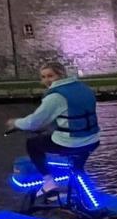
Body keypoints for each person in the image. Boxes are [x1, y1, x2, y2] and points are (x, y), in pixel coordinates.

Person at [5, 61, 100, 194]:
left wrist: (15, 123)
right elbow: (71, 115)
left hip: (72, 142)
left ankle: (49, 182)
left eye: (50, 76)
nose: (46, 81)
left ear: (61, 75)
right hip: (93, 139)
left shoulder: (56, 96)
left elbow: (33, 122)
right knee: (77, 167)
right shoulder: (83, 88)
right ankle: (79, 191)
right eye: (43, 77)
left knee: (33, 144)